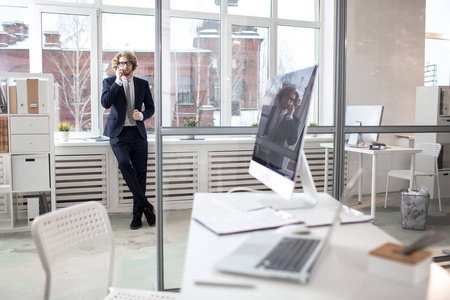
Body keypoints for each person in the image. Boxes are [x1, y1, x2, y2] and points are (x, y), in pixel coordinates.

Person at [101, 51, 156, 230]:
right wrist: (117, 82)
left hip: (138, 134)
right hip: (118, 135)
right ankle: (147, 205)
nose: (123, 67)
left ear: (133, 65)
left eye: (126, 63)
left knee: (141, 174)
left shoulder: (142, 84)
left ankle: (137, 213)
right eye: (120, 64)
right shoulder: (109, 82)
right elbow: (105, 103)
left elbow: (151, 108)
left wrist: (142, 115)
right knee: (124, 164)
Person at [254, 84, 301, 171]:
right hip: (259, 154)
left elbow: (291, 141)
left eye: (292, 99)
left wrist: (289, 116)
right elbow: (257, 129)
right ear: (281, 97)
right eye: (287, 97)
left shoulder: (294, 120)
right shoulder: (267, 111)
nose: (289, 101)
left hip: (275, 160)